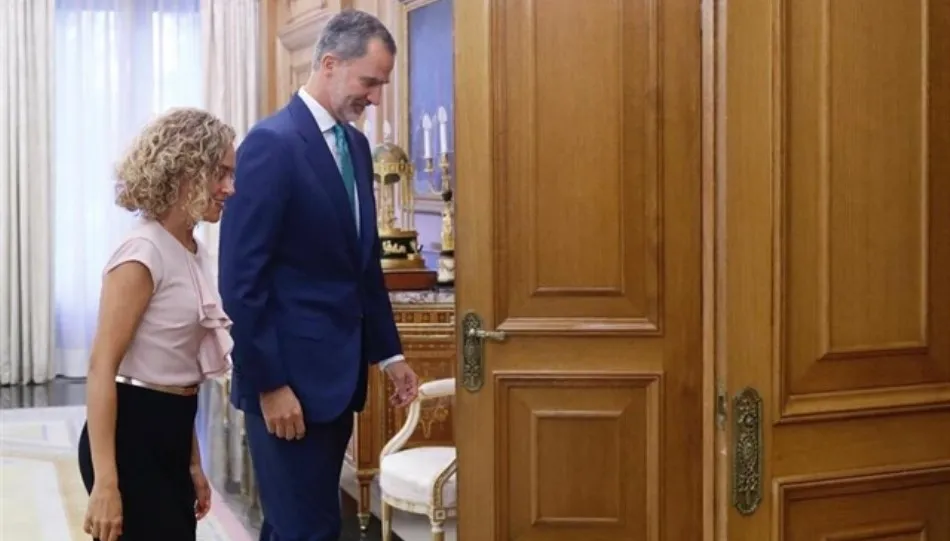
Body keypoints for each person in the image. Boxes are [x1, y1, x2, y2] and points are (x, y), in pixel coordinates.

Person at [217, 9, 420, 541]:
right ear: (330, 63)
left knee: (298, 529)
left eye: (382, 85)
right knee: (307, 531)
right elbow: (241, 282)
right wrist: (270, 385)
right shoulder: (269, 145)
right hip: (287, 388)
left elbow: (362, 265)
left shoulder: (354, 146)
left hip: (339, 381)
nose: (376, 98)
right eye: (369, 82)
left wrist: (390, 354)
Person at [78, 108, 236, 541]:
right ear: (187, 171)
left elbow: (179, 373)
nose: (230, 188)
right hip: (130, 442)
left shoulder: (191, 248)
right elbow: (100, 368)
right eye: (220, 174)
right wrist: (107, 485)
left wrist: (193, 464)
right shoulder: (141, 252)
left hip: (172, 432)